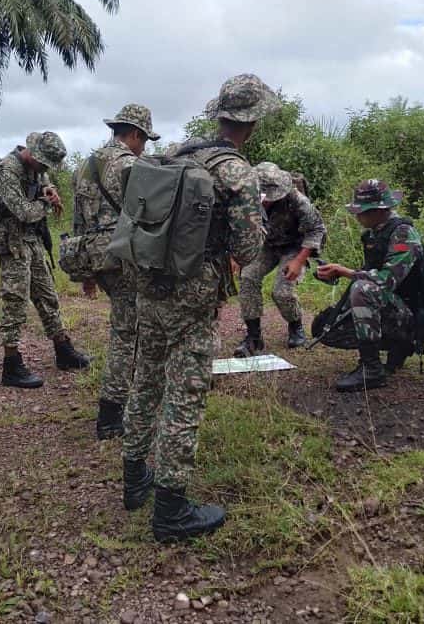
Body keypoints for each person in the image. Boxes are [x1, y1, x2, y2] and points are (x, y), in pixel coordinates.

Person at [121, 73, 275, 542]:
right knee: (185, 394)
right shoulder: (237, 171)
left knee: (146, 376)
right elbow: (249, 251)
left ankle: (134, 480)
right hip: (194, 290)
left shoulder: (178, 153)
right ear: (252, 122)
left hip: (149, 280)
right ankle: (170, 511)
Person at [71, 104, 160, 439]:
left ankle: (125, 401)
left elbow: (79, 220)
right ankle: (111, 416)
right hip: (123, 257)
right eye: (145, 139)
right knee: (127, 333)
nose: (145, 146)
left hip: (93, 255)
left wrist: (87, 272)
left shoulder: (85, 164)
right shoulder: (130, 165)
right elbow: (149, 216)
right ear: (135, 134)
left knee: (127, 327)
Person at [0, 131, 90, 389]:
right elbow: (24, 211)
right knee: (15, 301)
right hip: (11, 243)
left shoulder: (35, 168)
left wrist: (49, 190)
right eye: (43, 164)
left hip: (30, 241)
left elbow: (43, 185)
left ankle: (63, 350)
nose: (45, 169)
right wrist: (46, 204)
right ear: (31, 154)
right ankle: (11, 365)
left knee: (47, 295)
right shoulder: (6, 171)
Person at [316, 180, 424, 392]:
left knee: (362, 290)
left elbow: (387, 280)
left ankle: (372, 369)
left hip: (411, 313)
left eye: (362, 212)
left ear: (380, 211)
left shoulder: (403, 234)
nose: (357, 217)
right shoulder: (375, 233)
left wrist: (345, 272)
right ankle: (395, 348)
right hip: (394, 305)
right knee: (327, 325)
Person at [234, 161, 325, 355]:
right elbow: (238, 226)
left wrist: (299, 261)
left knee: (282, 291)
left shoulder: (297, 200)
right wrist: (235, 256)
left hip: (295, 247)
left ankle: (296, 326)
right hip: (267, 245)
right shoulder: (246, 198)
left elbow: (316, 230)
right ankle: (253, 336)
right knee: (248, 277)